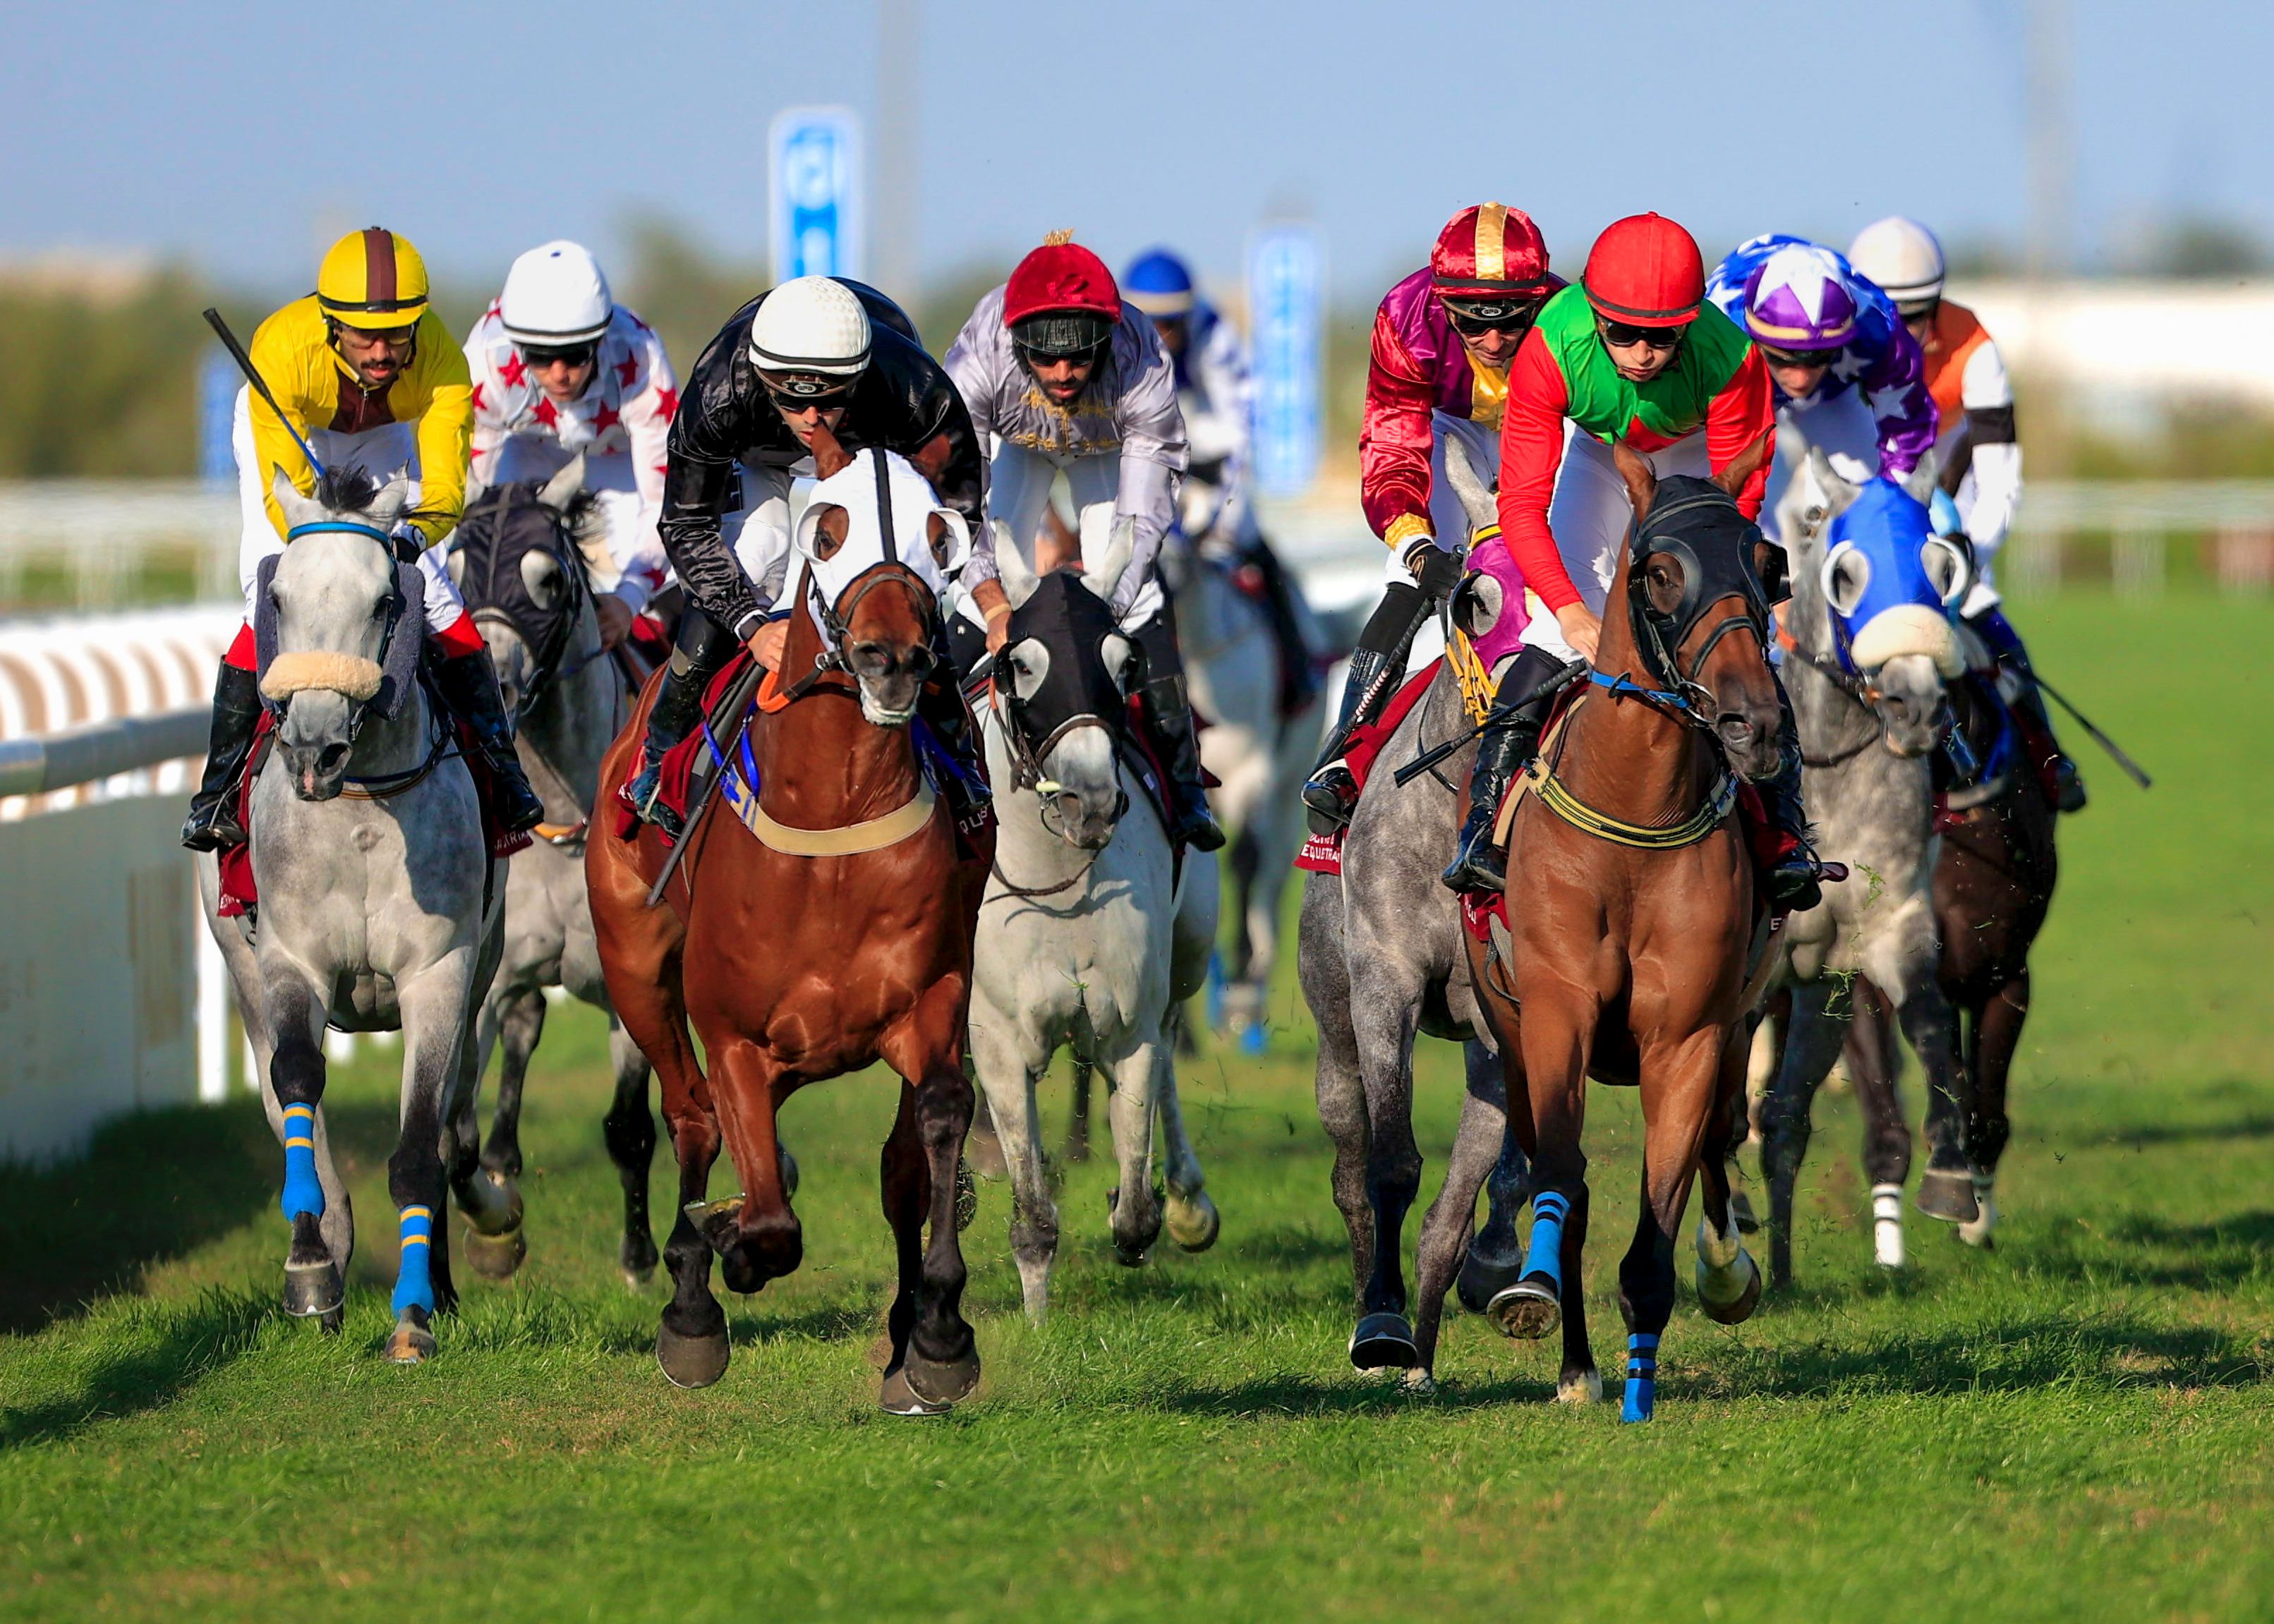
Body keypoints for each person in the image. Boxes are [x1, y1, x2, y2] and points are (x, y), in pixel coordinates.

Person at [1446, 211, 1824, 909]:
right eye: (1622, 333)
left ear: (1690, 324)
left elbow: (1736, 510)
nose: (1643, 353)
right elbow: (1521, 506)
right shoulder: (1549, 347)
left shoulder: (1732, 359)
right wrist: (1569, 611)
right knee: (1548, 633)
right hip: (1602, 453)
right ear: (1594, 317)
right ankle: (1482, 823)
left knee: (1736, 635)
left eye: (1662, 336)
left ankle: (1784, 831)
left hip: (1702, 463)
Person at [183, 226, 543, 852]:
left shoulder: (443, 362)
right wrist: (335, 547)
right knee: (272, 588)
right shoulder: (282, 349)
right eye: (364, 335)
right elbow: (287, 501)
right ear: (331, 325)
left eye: (398, 334)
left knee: (435, 595)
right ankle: (215, 795)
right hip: (291, 431)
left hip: (380, 437)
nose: (381, 352)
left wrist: (406, 543)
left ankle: (502, 772)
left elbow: (444, 493)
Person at [620, 274, 988, 841]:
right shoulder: (719, 390)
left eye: (829, 398)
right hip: (757, 457)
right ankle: (660, 754)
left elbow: (960, 511)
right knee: (754, 558)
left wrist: (911, 588)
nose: (812, 418)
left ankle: (957, 753)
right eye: (793, 400)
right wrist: (749, 625)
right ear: (762, 378)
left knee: (900, 580)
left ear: (859, 378)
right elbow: (685, 525)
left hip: (874, 454)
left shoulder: (916, 392)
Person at [945, 231, 1223, 851]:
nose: (1064, 375)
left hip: (1107, 453)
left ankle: (1183, 786)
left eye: (1079, 358)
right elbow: (955, 502)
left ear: (1107, 340)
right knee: (972, 596)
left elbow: (1145, 512)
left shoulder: (1140, 355)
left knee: (1138, 596)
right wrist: (993, 604)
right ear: (1015, 343)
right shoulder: (978, 357)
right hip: (1018, 449)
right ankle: (932, 760)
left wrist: (1101, 611)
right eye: (1045, 360)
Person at [1300, 202, 1562, 833]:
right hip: (1449, 429)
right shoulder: (1405, 314)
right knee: (1409, 576)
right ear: (1443, 304)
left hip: (1547, 424)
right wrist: (1417, 546)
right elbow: (1392, 443)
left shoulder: (1567, 319)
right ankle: (1344, 755)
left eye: (1511, 322)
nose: (1494, 342)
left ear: (1537, 302)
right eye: (1472, 323)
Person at [1849, 216, 2083, 810]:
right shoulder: (1832, 347)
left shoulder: (1974, 347)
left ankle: (2049, 761)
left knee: (1982, 615)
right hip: (1862, 502)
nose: (1899, 335)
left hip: (1950, 497)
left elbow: (1999, 478)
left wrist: (1969, 554)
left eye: (1914, 317)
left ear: (1937, 303)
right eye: (1885, 317)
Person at [1123, 247, 1316, 713]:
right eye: (1148, 323)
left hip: (1207, 468)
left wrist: (1217, 522)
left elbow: (1241, 437)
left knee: (1256, 553)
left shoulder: (1215, 337)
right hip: (1145, 471)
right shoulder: (1113, 344)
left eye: (1170, 323)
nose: (1160, 337)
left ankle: (1298, 675)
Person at [464, 241, 676, 647]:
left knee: (646, 584)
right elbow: (475, 502)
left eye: (576, 355)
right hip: (528, 448)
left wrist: (629, 599)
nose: (559, 375)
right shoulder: (485, 360)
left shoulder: (641, 357)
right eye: (540, 357)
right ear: (517, 347)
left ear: (601, 340)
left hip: (620, 459)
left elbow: (665, 504)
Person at [1704, 233, 1937, 535]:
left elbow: (1907, 432)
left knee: (1869, 499)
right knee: (1738, 515)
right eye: (1783, 358)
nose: (1801, 377)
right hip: (1739, 394)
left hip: (1830, 394)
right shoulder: (1717, 333)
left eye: (1819, 357)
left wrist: (1891, 507)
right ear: (1755, 336)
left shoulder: (1882, 331)